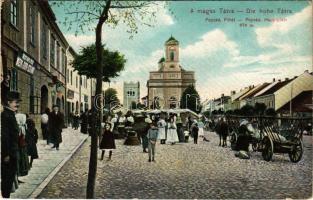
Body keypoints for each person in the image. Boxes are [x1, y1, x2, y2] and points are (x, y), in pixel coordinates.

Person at [1, 91, 21, 198]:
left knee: (10, 176)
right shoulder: (5, 115)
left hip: (13, 151)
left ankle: (6, 196)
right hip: (9, 153)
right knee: (7, 177)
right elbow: (5, 137)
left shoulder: (10, 114)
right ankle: (5, 197)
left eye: (18, 103)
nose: (17, 105)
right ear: (8, 102)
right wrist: (6, 154)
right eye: (15, 102)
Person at [15, 113, 30, 177]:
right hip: (19, 147)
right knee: (19, 161)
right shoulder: (20, 128)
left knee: (21, 161)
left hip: (22, 146)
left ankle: (19, 175)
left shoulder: (23, 127)